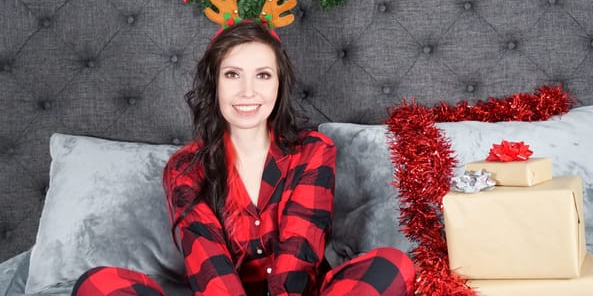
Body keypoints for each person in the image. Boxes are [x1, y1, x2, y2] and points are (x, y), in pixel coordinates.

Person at [72, 21, 416, 296]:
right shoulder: (185, 168)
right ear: (215, 84)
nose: (248, 91)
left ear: (278, 85)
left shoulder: (313, 150)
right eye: (232, 74)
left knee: (393, 265)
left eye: (262, 75)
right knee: (98, 284)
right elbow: (206, 260)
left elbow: (301, 249)